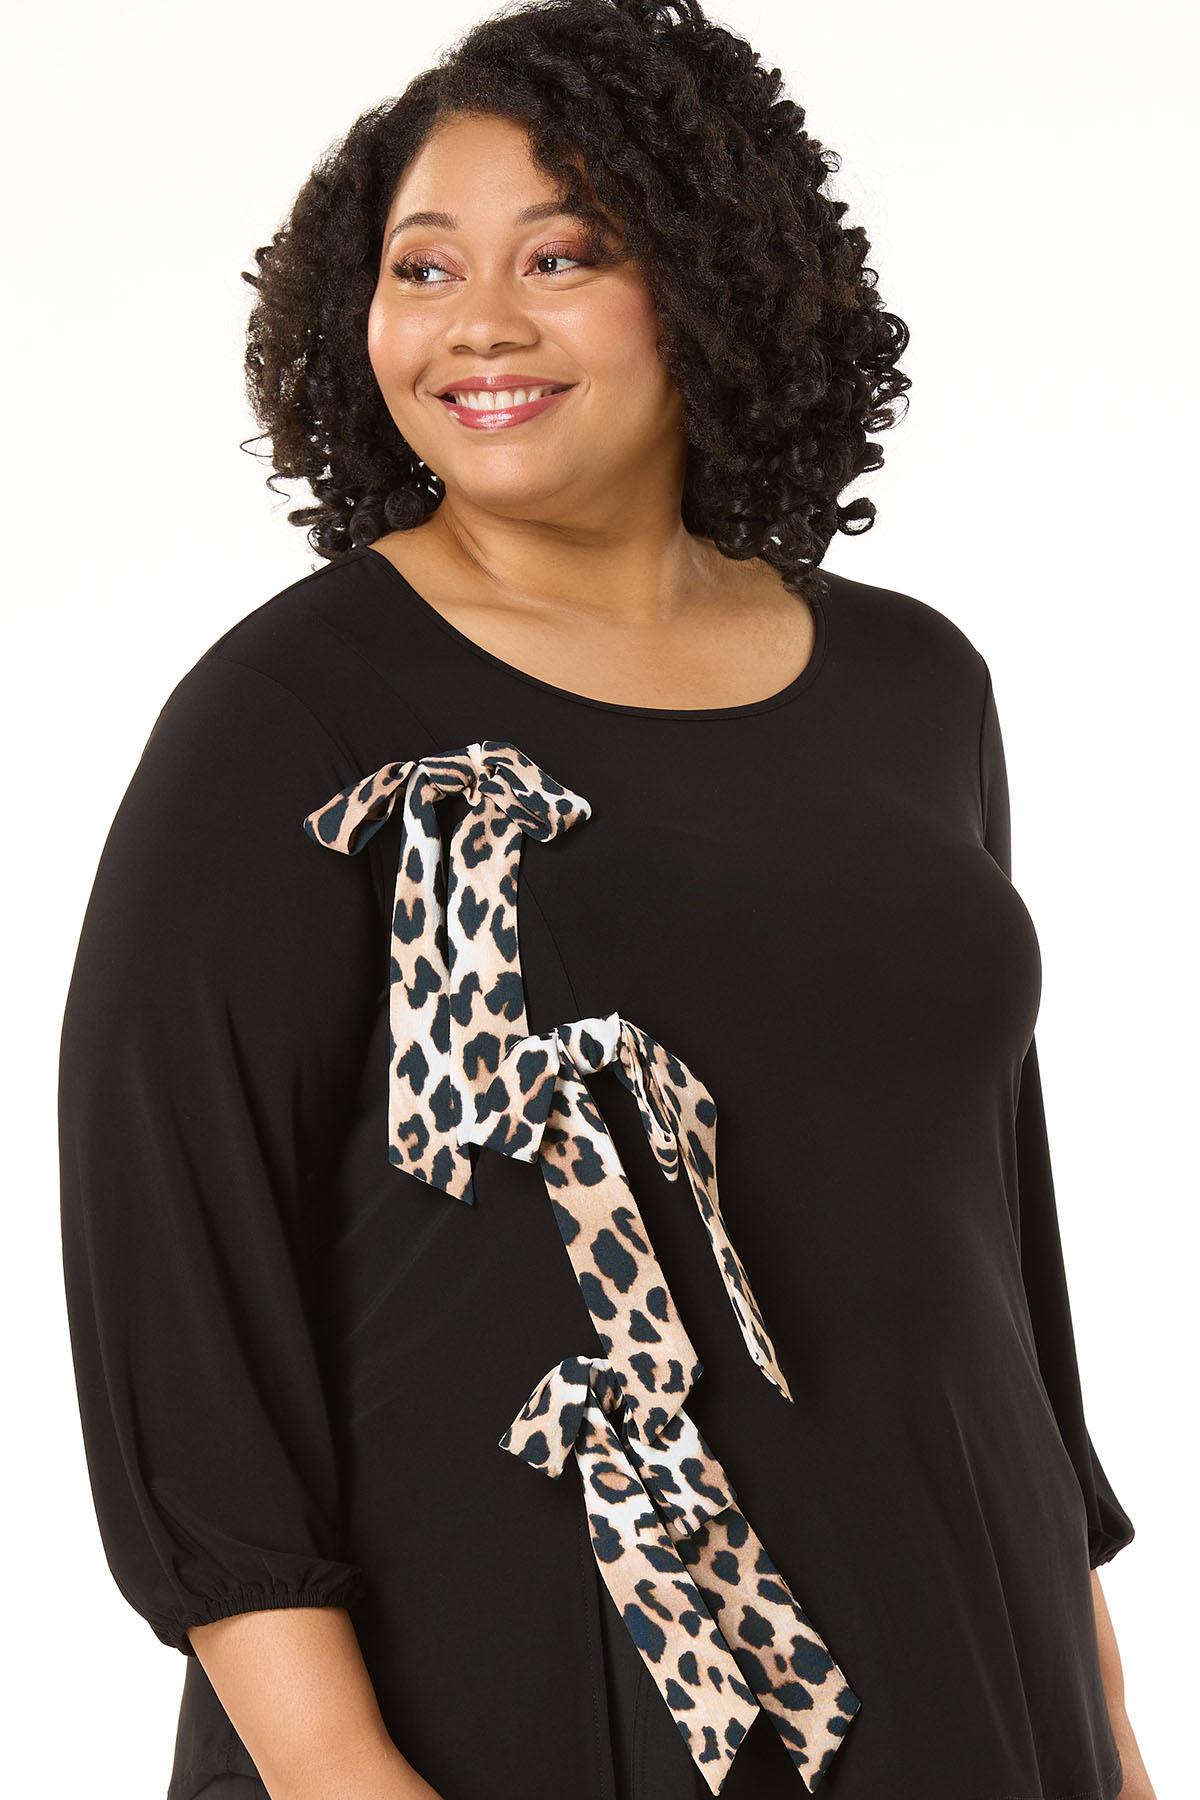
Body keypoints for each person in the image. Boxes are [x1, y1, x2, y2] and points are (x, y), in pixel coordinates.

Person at [57, 4, 1154, 1798]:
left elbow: (988, 1241)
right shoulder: (296, 712)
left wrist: (1099, 1713)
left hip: (967, 1647)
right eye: (423, 268)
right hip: (526, 1678)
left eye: (562, 257)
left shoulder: (915, 685)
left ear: (711, 286)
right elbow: (180, 1279)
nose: (479, 323)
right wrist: (336, 1773)